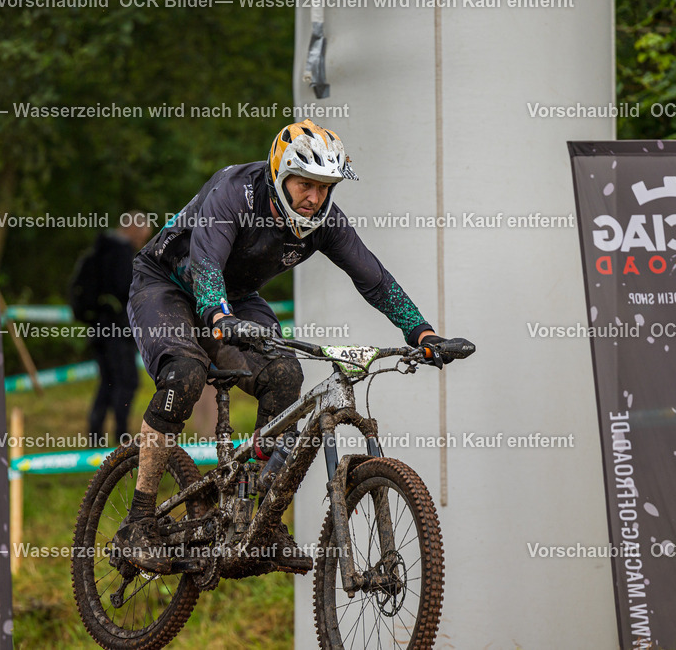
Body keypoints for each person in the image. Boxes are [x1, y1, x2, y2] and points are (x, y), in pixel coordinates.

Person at [114, 120, 457, 574]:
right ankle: (137, 520)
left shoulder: (324, 222)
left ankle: (262, 517)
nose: (313, 197)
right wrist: (217, 314)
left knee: (286, 375)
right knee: (184, 374)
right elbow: (207, 259)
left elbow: (372, 278)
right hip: (167, 284)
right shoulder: (235, 190)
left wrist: (421, 333)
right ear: (279, 174)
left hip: (236, 301)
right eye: (304, 184)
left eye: (324, 187)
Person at [71, 216, 151, 446]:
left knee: (107, 381)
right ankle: (122, 435)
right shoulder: (121, 254)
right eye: (143, 236)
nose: (142, 242)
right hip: (117, 330)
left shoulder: (98, 251)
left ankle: (95, 435)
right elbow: (127, 289)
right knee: (126, 381)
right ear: (134, 230)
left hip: (98, 328)